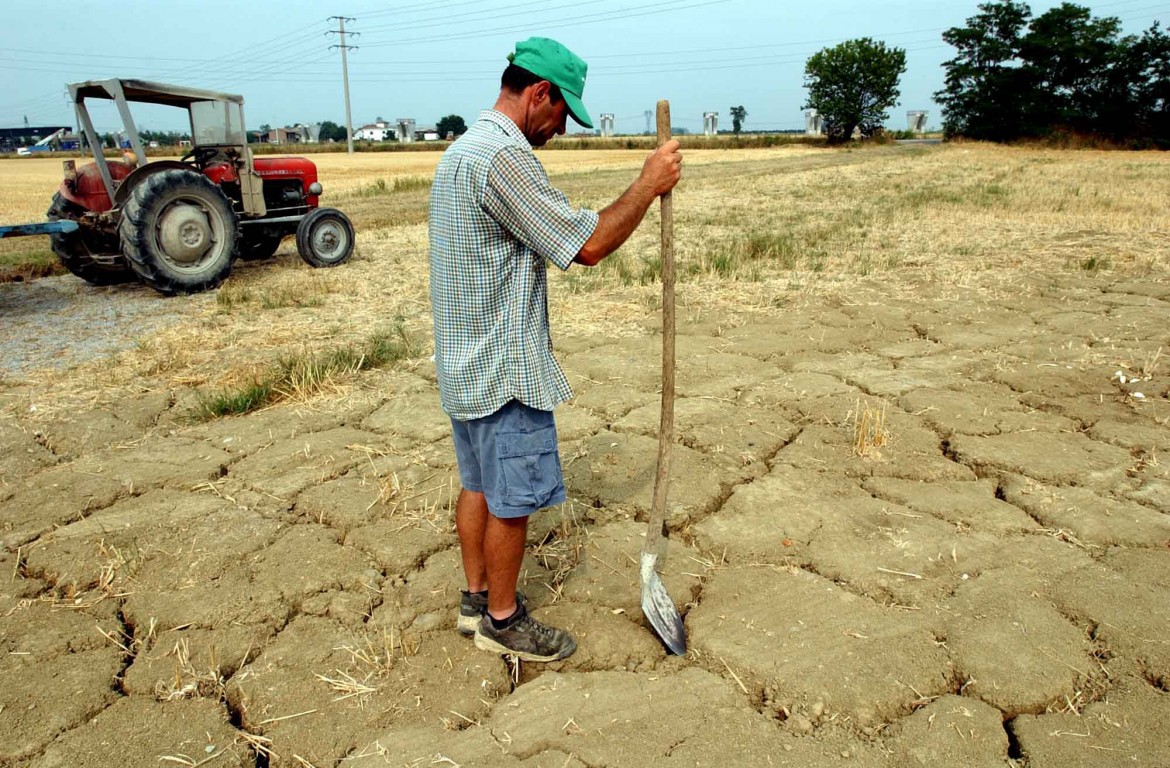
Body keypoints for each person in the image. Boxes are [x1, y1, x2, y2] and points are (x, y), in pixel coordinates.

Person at [428, 36, 682, 662]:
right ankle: (505, 620)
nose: (562, 129)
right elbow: (587, 245)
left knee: (479, 485)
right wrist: (647, 185)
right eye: (563, 113)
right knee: (513, 498)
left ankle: (475, 601)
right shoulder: (502, 159)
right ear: (539, 93)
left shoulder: (462, 150)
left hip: (465, 362)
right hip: (504, 367)